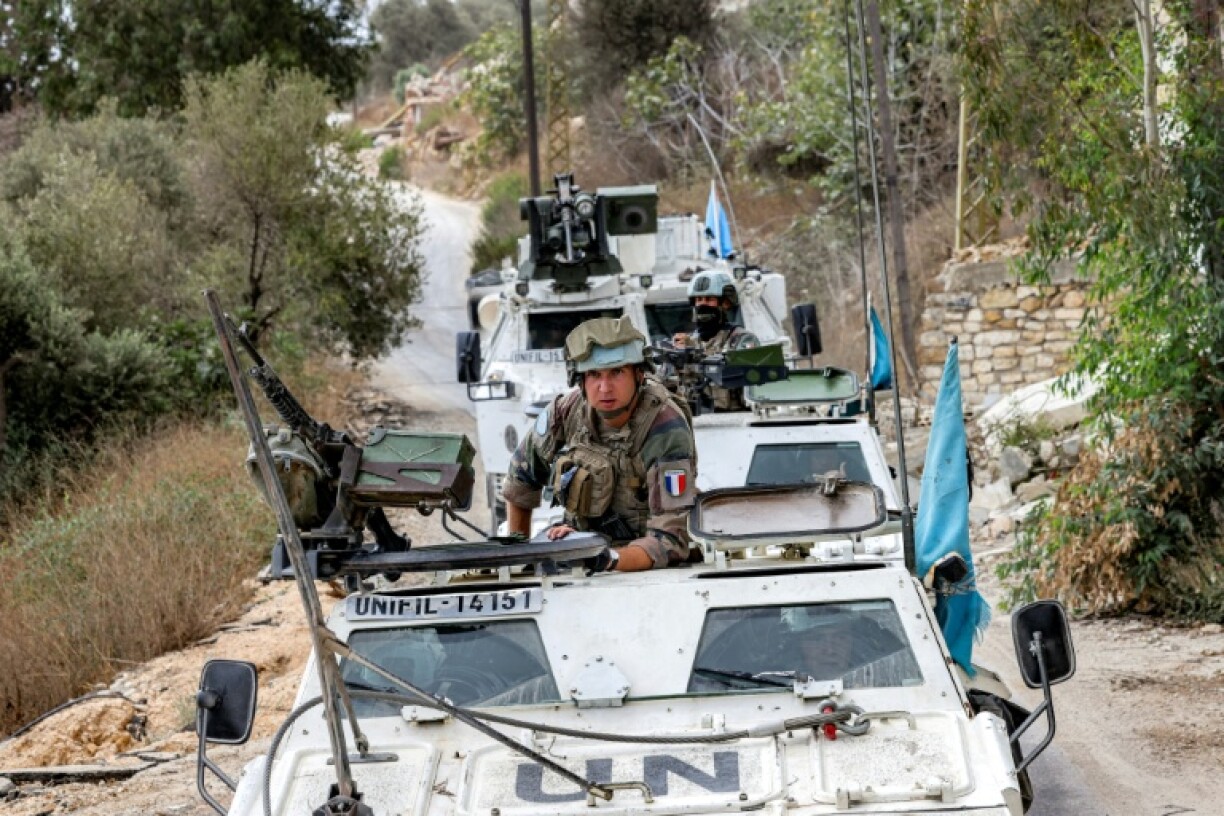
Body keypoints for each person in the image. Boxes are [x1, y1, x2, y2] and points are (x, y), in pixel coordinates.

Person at [501, 316, 697, 572]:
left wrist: (608, 559)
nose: (605, 388)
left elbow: (670, 539)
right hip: (580, 553)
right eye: (594, 374)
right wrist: (520, 559)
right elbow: (521, 475)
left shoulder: (664, 426)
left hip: (640, 564)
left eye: (617, 372)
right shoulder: (566, 411)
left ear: (638, 375)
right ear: (580, 380)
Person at [673, 269, 760, 354]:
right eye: (699, 299)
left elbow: (736, 367)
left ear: (725, 304)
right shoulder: (690, 341)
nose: (702, 304)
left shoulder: (743, 339)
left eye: (709, 299)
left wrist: (693, 352)